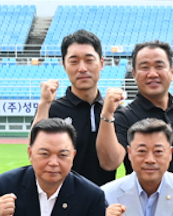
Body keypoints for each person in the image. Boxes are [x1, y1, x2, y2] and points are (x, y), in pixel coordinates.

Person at [100, 40, 173, 180]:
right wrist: (106, 115)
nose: (152, 74)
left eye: (159, 66)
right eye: (144, 67)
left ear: (172, 72)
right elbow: (110, 163)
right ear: (134, 74)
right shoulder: (125, 116)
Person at [32, 29, 117, 188]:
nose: (82, 68)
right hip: (61, 203)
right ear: (64, 65)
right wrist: (44, 104)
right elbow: (34, 150)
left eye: (89, 60)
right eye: (74, 61)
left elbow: (113, 162)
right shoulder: (52, 110)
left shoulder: (115, 111)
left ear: (102, 63)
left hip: (105, 202)